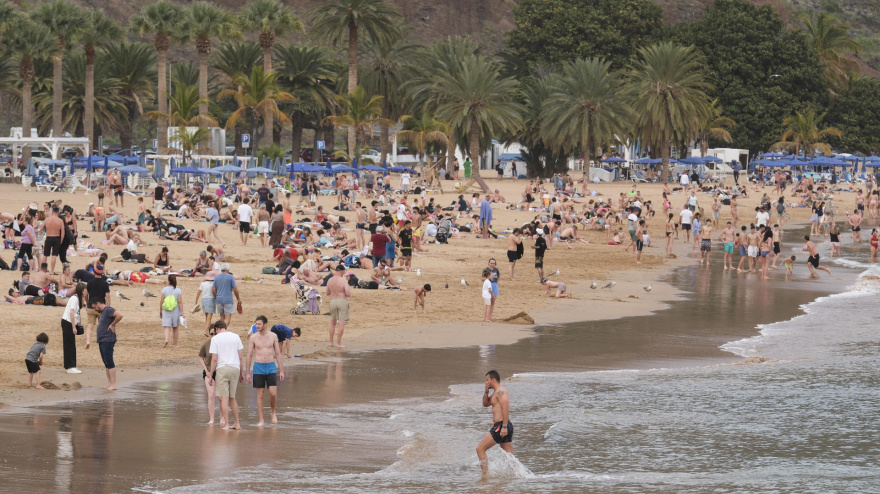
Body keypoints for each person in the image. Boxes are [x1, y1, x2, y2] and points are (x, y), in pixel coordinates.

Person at [246, 315, 286, 426]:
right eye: (256, 324)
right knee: (260, 394)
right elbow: (249, 355)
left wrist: (281, 370)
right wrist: (247, 373)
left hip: (271, 366)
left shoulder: (273, 336)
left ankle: (273, 412)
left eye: (259, 324)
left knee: (273, 393)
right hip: (258, 366)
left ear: (265, 324)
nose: (257, 326)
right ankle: (261, 420)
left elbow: (278, 354)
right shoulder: (253, 337)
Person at [207, 320, 245, 431]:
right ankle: (237, 423)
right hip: (235, 368)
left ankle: (227, 424)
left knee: (224, 397)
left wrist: (210, 375)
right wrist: (242, 372)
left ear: (217, 329)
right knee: (232, 397)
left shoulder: (215, 339)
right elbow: (241, 357)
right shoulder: (236, 336)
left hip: (222, 368)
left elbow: (214, 358)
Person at [476, 370, 513, 478]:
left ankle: (484, 476)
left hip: (501, 426)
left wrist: (504, 426)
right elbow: (485, 404)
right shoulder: (494, 393)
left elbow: (506, 408)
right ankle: (516, 476)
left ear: (493, 380)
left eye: (487, 380)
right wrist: (486, 391)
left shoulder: (501, 391)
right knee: (509, 456)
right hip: (503, 426)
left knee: (480, 449)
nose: (486, 382)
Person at [94, 300, 123, 391]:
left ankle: (113, 384)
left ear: (98, 303)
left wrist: (112, 324)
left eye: (94, 307)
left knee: (109, 361)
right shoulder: (104, 312)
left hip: (108, 339)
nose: (94, 309)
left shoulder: (108, 309)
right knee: (106, 362)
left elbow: (120, 315)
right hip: (103, 339)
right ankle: (110, 383)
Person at [61, 283, 85, 374]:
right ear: (82, 290)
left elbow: (75, 313)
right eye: (85, 290)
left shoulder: (77, 298)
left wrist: (77, 321)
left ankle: (71, 365)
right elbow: (71, 312)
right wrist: (74, 327)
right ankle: (70, 366)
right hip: (68, 322)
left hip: (70, 322)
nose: (86, 291)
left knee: (71, 344)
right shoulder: (75, 298)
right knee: (69, 344)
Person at [85, 264, 110, 349]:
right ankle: (101, 339)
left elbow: (85, 294)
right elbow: (107, 297)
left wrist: (87, 302)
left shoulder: (90, 282)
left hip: (91, 306)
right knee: (102, 325)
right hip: (101, 307)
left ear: (94, 272)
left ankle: (88, 341)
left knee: (90, 325)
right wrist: (108, 307)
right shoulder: (105, 284)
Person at [326, 265, 351, 348]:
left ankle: (330, 342)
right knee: (341, 323)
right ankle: (338, 343)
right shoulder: (343, 280)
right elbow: (348, 294)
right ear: (342, 271)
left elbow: (327, 293)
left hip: (333, 301)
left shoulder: (330, 280)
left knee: (332, 322)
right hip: (342, 301)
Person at [198, 328, 218, 424]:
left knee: (222, 396)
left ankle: (223, 418)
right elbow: (201, 357)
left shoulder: (222, 344)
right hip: (209, 372)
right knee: (211, 395)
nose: (213, 336)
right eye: (211, 334)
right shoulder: (206, 344)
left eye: (215, 333)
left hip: (220, 371)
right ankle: (212, 419)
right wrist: (206, 370)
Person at [160, 274, 183, 348]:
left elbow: (161, 301)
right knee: (175, 327)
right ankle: (174, 344)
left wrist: (160, 311)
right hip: (175, 310)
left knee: (167, 327)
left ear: (169, 281)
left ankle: (166, 339)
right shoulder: (178, 290)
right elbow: (180, 302)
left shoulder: (164, 289)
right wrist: (182, 312)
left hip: (166, 310)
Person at [43, 206, 65, 274]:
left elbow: (41, 228)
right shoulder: (60, 220)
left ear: (52, 212)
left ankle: (43, 270)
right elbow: (63, 232)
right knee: (54, 255)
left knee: (45, 255)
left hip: (49, 237)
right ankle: (52, 271)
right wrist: (61, 240)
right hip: (56, 237)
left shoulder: (47, 219)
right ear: (58, 212)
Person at [195, 272, 216, 337]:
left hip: (203, 300)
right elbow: (214, 292)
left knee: (207, 317)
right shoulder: (213, 284)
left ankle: (207, 330)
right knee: (209, 318)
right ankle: (206, 331)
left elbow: (198, 293)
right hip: (210, 300)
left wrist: (196, 301)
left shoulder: (203, 283)